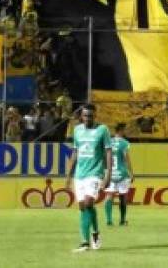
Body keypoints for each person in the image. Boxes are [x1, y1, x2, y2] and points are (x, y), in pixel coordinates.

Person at [64, 104, 112, 251]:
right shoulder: (77, 130)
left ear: (95, 116)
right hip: (79, 175)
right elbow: (75, 153)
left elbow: (108, 153)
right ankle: (95, 232)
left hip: (95, 173)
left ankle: (84, 243)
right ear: (81, 116)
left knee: (88, 202)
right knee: (83, 206)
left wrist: (107, 175)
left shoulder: (102, 130)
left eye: (91, 115)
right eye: (85, 115)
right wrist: (68, 175)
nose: (88, 118)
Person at [103, 123, 133, 226]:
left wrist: (105, 171)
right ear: (121, 130)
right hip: (122, 173)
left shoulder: (109, 142)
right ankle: (122, 220)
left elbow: (104, 157)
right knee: (123, 196)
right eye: (124, 130)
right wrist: (131, 173)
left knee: (109, 195)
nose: (125, 132)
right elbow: (126, 158)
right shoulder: (124, 143)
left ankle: (109, 220)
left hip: (110, 173)